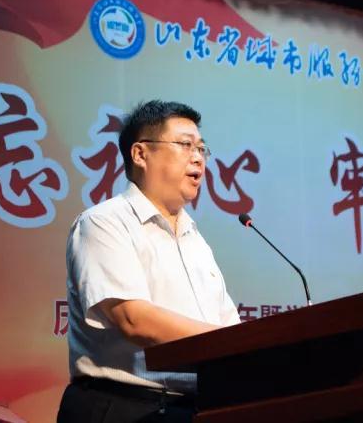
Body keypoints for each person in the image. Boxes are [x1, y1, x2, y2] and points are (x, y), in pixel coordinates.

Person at [57, 100, 241, 422]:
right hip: (123, 407)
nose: (198, 157)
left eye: (201, 148)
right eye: (185, 145)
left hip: (196, 408)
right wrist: (227, 343)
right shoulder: (104, 222)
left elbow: (230, 329)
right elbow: (134, 319)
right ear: (140, 154)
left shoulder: (196, 241)